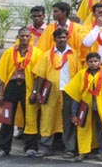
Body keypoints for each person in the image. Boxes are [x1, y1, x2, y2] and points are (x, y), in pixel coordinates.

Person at [63, 52, 102, 162]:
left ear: (100, 61)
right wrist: (74, 113)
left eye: (96, 61)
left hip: (101, 105)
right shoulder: (81, 74)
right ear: (87, 63)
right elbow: (76, 95)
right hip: (85, 106)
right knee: (83, 128)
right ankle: (83, 152)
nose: (93, 64)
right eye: (90, 62)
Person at [32, 28, 80, 158]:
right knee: (47, 118)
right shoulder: (47, 55)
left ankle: (70, 149)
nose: (62, 40)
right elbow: (40, 75)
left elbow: (79, 75)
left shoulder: (74, 54)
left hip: (69, 92)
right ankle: (45, 147)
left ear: (67, 38)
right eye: (59, 38)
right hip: (50, 91)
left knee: (68, 120)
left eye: (64, 37)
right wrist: (37, 92)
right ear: (54, 39)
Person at [0, 27, 41, 158]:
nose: (24, 38)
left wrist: (35, 92)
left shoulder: (37, 53)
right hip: (12, 86)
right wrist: (0, 93)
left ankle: (31, 148)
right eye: (22, 36)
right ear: (18, 37)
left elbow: (39, 75)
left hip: (28, 87)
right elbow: (2, 75)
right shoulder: (9, 53)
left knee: (30, 117)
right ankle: (2, 148)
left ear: (30, 38)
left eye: (27, 36)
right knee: (7, 116)